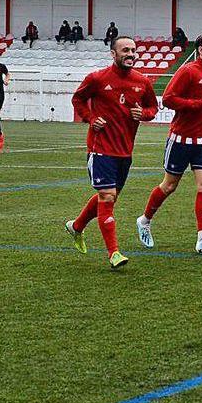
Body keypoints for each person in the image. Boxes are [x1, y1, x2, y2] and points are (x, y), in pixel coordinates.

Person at [65, 37, 158, 269]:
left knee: (109, 197)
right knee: (107, 197)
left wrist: (143, 114)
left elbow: (153, 108)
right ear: (113, 54)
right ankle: (114, 253)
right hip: (100, 149)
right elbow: (78, 99)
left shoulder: (142, 82)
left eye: (133, 50)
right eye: (125, 50)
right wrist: (90, 118)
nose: (130, 54)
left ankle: (76, 226)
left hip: (125, 151)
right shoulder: (97, 78)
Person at [137, 34, 202, 255]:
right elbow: (168, 99)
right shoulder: (187, 71)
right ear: (201, 50)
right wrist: (198, 104)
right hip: (181, 139)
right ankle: (144, 220)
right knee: (169, 186)